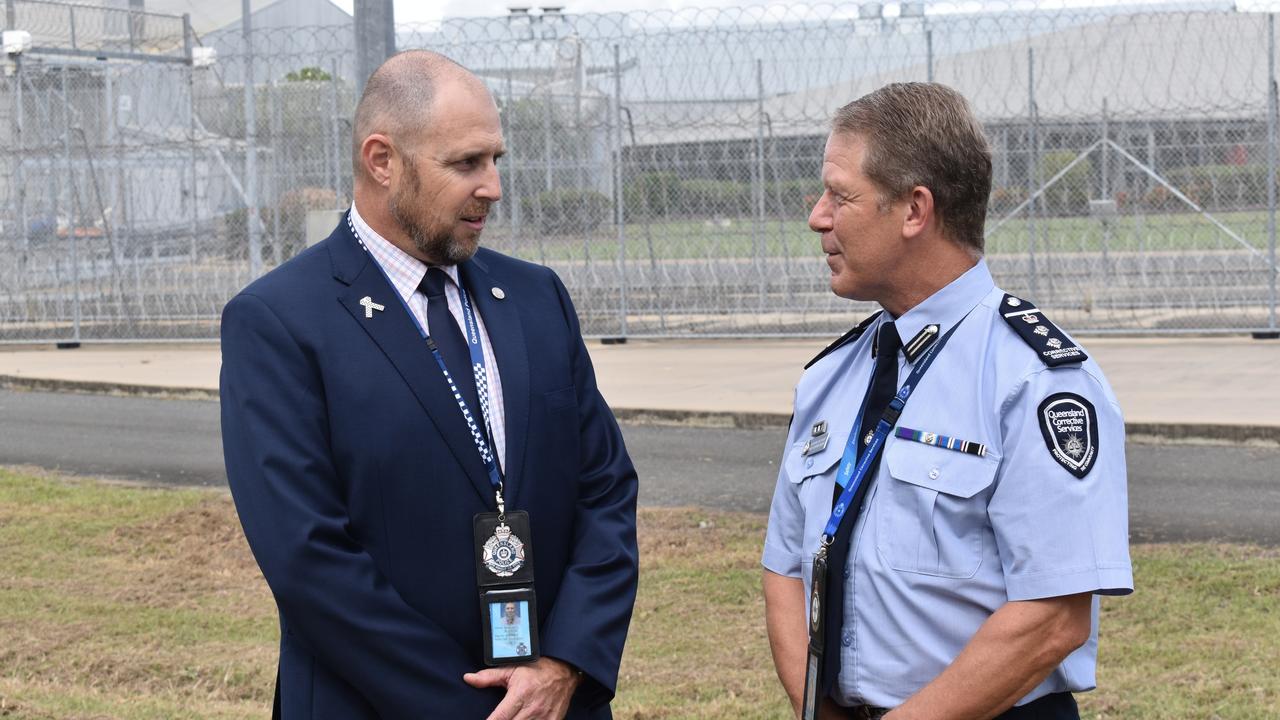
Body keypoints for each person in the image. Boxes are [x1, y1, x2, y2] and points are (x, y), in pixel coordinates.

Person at [220, 50, 639, 719]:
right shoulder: (279, 322)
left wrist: (566, 662)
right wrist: (474, 709)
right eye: (466, 163)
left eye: (496, 159)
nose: (493, 186)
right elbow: (309, 560)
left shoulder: (534, 298)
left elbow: (606, 487)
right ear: (383, 160)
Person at [761, 82, 1132, 720]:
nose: (817, 216)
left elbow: (1054, 617)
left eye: (840, 195)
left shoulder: (1036, 382)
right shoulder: (831, 376)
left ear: (915, 210)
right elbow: (785, 571)